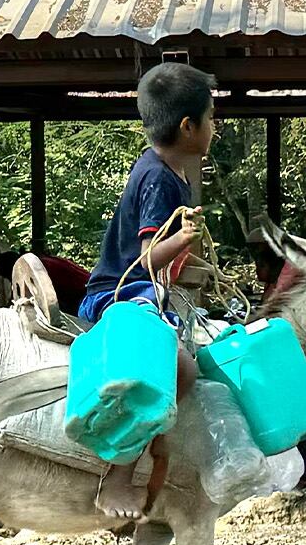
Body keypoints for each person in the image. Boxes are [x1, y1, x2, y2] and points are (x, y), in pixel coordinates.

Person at [79, 61, 218, 520]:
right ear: (187, 126)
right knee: (181, 371)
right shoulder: (159, 178)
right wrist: (182, 240)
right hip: (120, 294)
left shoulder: (168, 170)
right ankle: (118, 473)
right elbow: (145, 257)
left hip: (145, 291)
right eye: (211, 117)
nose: (215, 126)